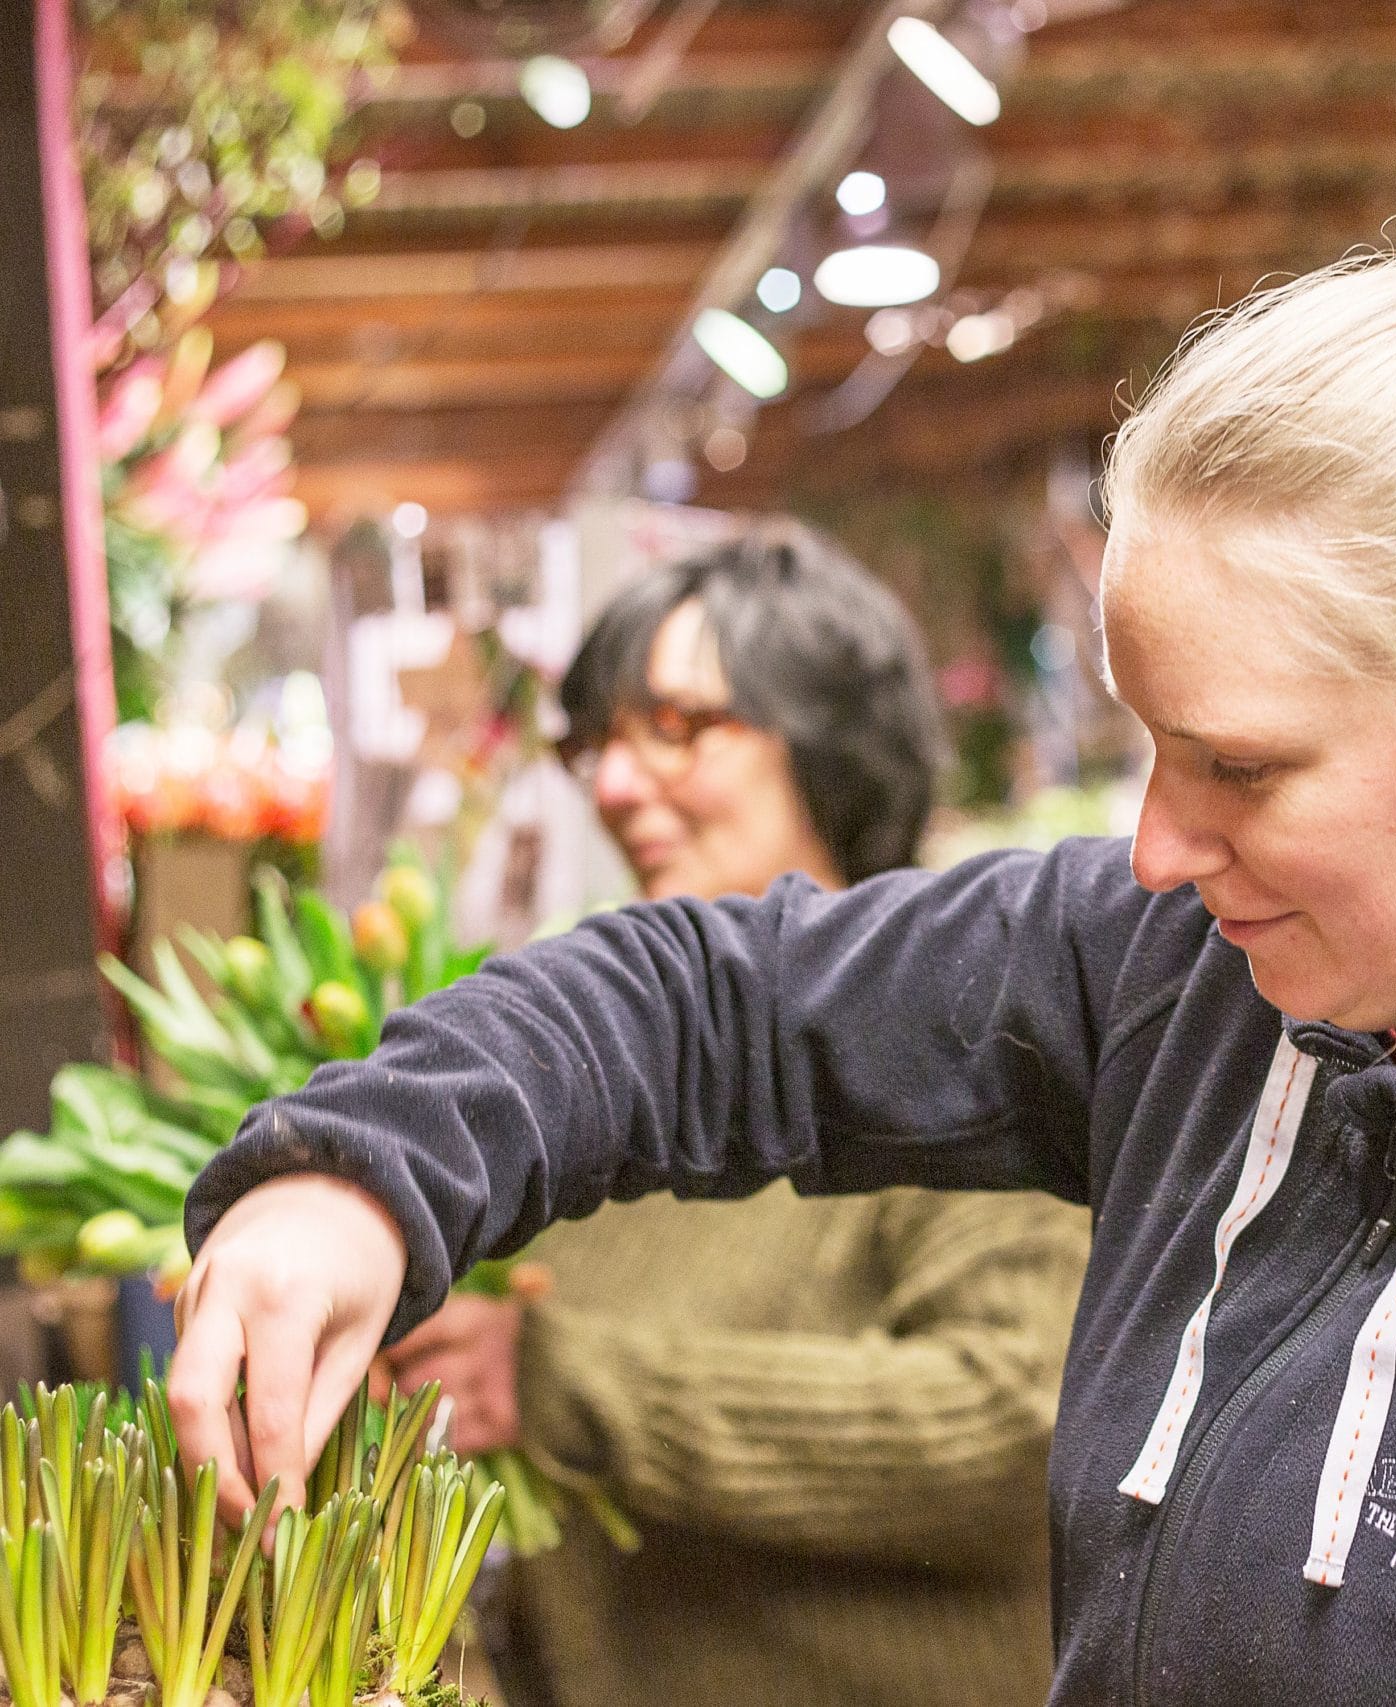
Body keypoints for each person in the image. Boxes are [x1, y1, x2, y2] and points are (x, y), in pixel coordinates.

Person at [169, 250, 1396, 1704]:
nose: (1155, 848)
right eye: (1146, 748)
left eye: (1243, 765)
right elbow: (705, 1007)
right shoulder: (1199, 990)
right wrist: (362, 1173)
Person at [383, 525, 1090, 1707]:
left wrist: (557, 1385)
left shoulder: (960, 1042)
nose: (612, 783)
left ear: (830, 746)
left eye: (678, 729)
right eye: (597, 743)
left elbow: (1021, 1419)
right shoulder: (619, 1067)